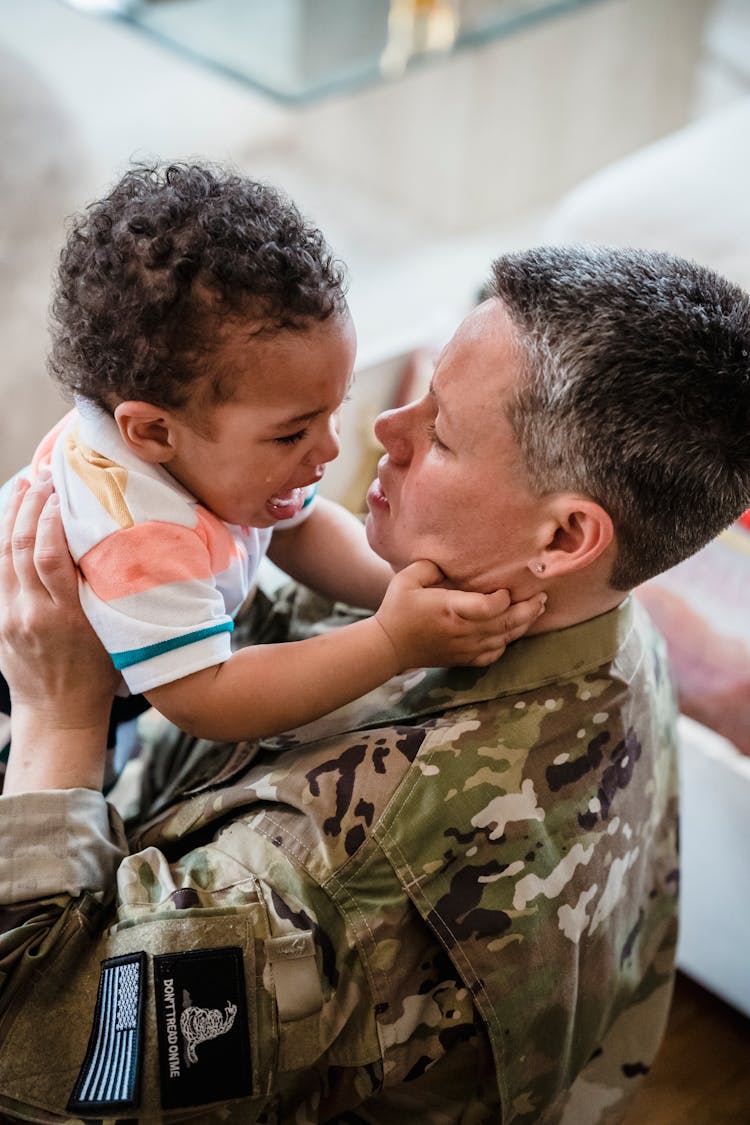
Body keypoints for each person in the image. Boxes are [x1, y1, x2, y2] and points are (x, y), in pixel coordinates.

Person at [1, 244, 749, 1124]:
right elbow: (289, 607)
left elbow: (31, 1052)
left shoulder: (335, 870)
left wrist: (60, 713)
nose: (387, 428)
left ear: (565, 535)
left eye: (440, 433)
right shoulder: (597, 614)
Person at [0, 163, 540, 780]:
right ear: (151, 433)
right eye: (292, 432)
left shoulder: (218, 454)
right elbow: (208, 696)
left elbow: (302, 529)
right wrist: (392, 641)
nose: (330, 449)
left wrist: (412, 593)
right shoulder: (134, 536)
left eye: (333, 411)